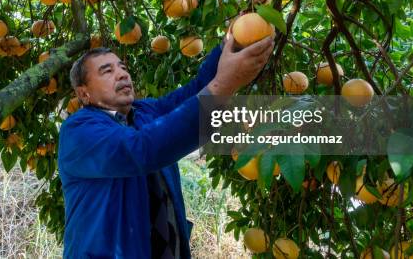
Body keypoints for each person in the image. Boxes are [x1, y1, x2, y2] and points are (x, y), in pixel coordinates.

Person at [58, 33, 274, 258]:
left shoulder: (145, 112)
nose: (122, 74)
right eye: (107, 71)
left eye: (122, 67)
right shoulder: (78, 130)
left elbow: (196, 91)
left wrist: (232, 41)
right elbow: (141, 150)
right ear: (84, 93)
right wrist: (225, 84)